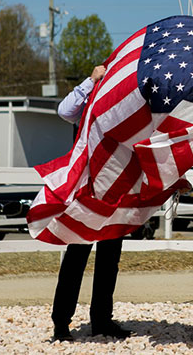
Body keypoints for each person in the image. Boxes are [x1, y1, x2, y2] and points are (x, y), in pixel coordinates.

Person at [51, 64, 131, 342]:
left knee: (110, 259)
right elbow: (64, 111)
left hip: (114, 187)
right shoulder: (91, 95)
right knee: (76, 258)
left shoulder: (125, 102)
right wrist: (90, 81)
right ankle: (61, 323)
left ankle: (102, 320)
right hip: (86, 189)